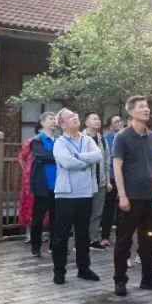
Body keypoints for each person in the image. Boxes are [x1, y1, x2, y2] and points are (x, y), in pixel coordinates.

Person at [111, 97, 152, 297]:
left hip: (151, 198)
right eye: (141, 107)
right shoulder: (122, 137)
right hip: (131, 198)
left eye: (147, 106)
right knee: (124, 241)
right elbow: (117, 167)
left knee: (148, 239)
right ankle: (120, 280)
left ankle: (149, 278)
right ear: (131, 112)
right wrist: (122, 196)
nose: (146, 109)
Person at [51, 109, 103, 284]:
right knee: (61, 235)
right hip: (66, 194)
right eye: (70, 117)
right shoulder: (59, 142)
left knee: (83, 234)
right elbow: (66, 162)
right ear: (62, 124)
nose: (75, 118)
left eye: (76, 116)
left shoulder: (87, 139)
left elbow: (98, 156)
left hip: (86, 192)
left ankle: (84, 268)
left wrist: (79, 156)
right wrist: (86, 162)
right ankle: (59, 271)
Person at [29, 112, 58, 258]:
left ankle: (54, 246)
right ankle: (36, 247)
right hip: (42, 184)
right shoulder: (37, 140)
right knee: (38, 218)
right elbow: (42, 156)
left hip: (58, 185)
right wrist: (61, 156)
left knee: (57, 218)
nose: (54, 121)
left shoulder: (59, 139)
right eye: (51, 119)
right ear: (42, 123)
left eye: (55, 119)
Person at [83, 113, 111, 251]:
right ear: (86, 122)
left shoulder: (103, 140)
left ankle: (93, 239)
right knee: (83, 212)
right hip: (84, 183)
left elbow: (106, 162)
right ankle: (81, 240)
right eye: (94, 119)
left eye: (99, 119)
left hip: (100, 182)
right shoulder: (81, 138)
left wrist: (108, 181)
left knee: (97, 212)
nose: (98, 121)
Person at [99, 115, 124, 246]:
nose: (120, 123)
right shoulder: (105, 139)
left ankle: (121, 235)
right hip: (112, 177)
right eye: (116, 122)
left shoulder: (128, 136)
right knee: (108, 208)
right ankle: (105, 236)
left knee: (123, 208)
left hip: (126, 177)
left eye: (120, 120)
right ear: (110, 126)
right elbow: (104, 159)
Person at [16, 127, 38, 240]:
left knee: (41, 204)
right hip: (30, 177)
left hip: (42, 176)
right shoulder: (31, 141)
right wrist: (26, 170)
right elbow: (21, 158)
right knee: (29, 204)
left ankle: (38, 232)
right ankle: (29, 233)